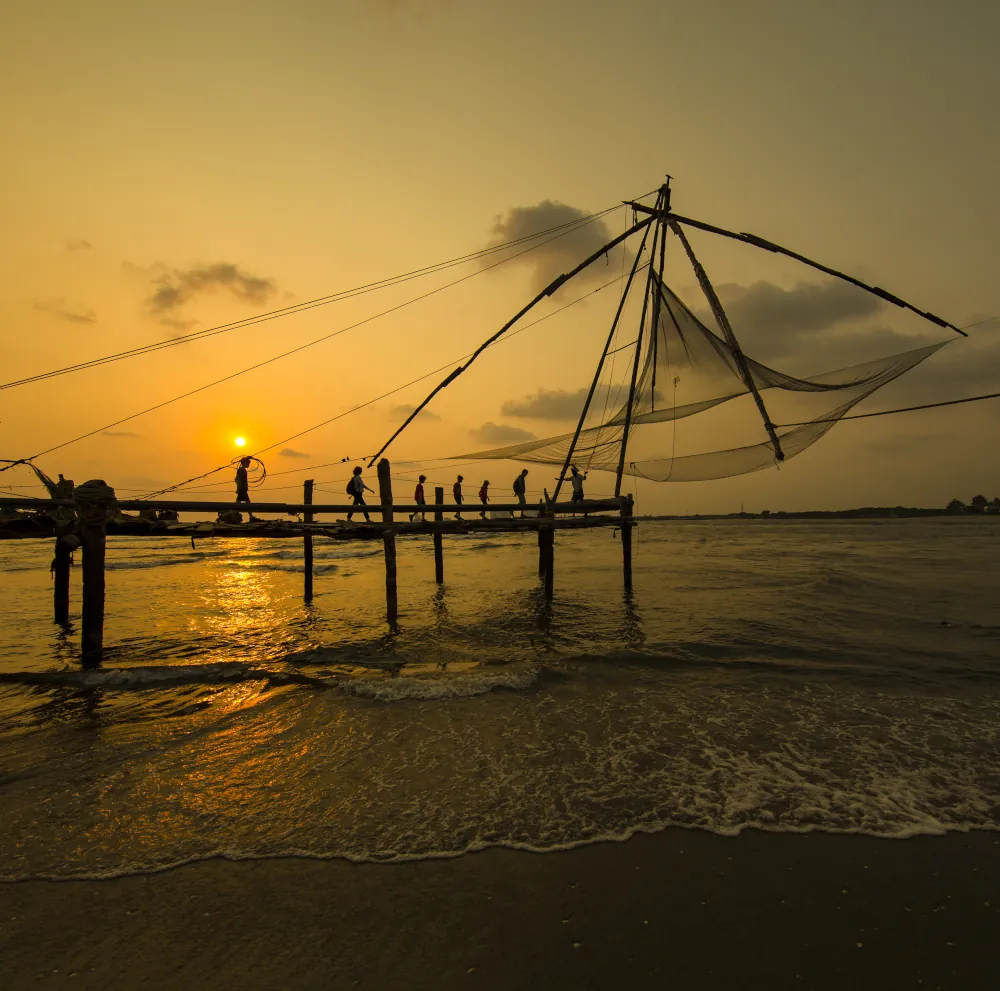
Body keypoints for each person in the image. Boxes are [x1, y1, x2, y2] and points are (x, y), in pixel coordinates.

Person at [235, 457, 259, 522]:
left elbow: (236, 479)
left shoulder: (241, 470)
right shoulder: (241, 471)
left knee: (239, 502)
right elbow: (238, 480)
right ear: (245, 463)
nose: (249, 465)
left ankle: (235, 514)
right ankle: (250, 516)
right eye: (248, 463)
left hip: (242, 489)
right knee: (247, 503)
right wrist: (238, 488)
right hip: (242, 489)